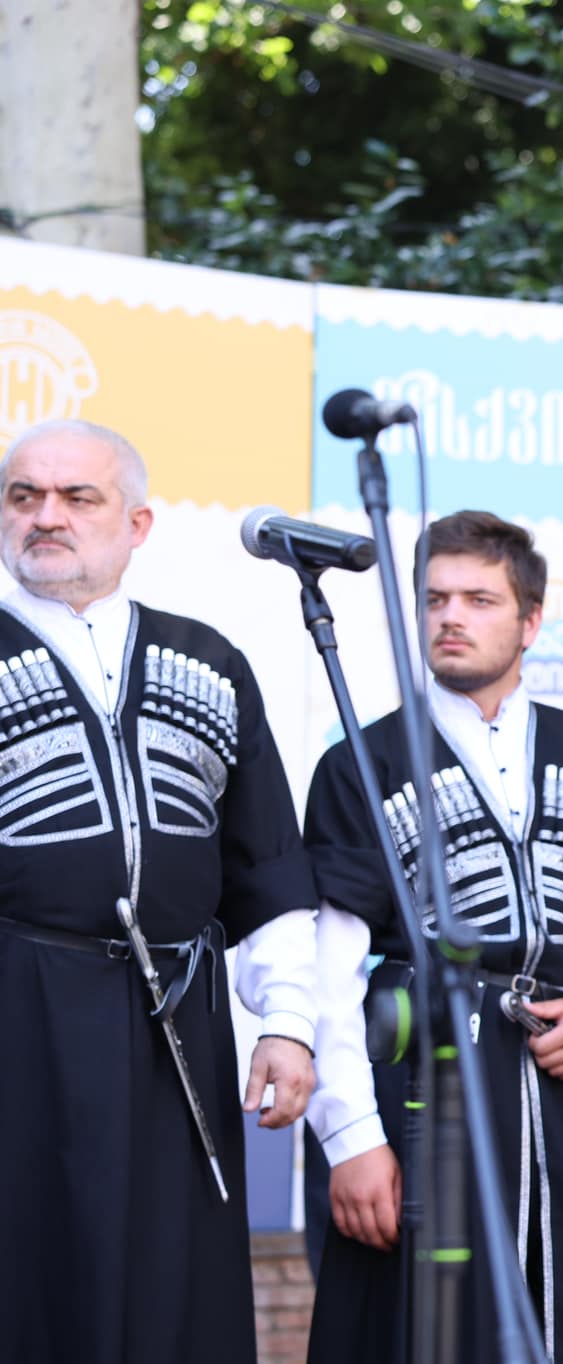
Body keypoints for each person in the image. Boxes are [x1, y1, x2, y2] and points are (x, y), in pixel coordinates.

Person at [301, 510, 563, 1363]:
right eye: (434, 599)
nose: (451, 616)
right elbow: (327, 966)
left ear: (531, 620)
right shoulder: (361, 763)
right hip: (424, 1088)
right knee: (428, 1334)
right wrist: (352, 1137)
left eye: (480, 599)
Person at [0, 419, 320, 1364]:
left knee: (172, 1282)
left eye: (77, 497)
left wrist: (289, 1022)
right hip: (21, 1016)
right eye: (23, 496)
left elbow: (268, 864)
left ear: (137, 524)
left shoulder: (210, 662)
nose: (46, 516)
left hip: (178, 1024)